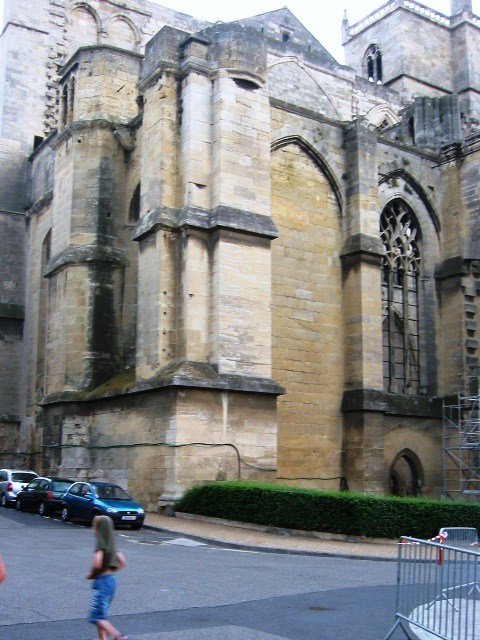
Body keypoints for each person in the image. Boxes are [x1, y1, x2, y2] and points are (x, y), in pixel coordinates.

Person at [86, 515, 128, 640]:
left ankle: (117, 636)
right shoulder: (112, 545)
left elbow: (97, 563)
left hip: (102, 581)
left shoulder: (101, 543)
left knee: (96, 617)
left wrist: (91, 574)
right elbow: (122, 561)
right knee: (101, 614)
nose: (92, 530)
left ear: (99, 529)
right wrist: (112, 568)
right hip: (111, 580)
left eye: (94, 527)